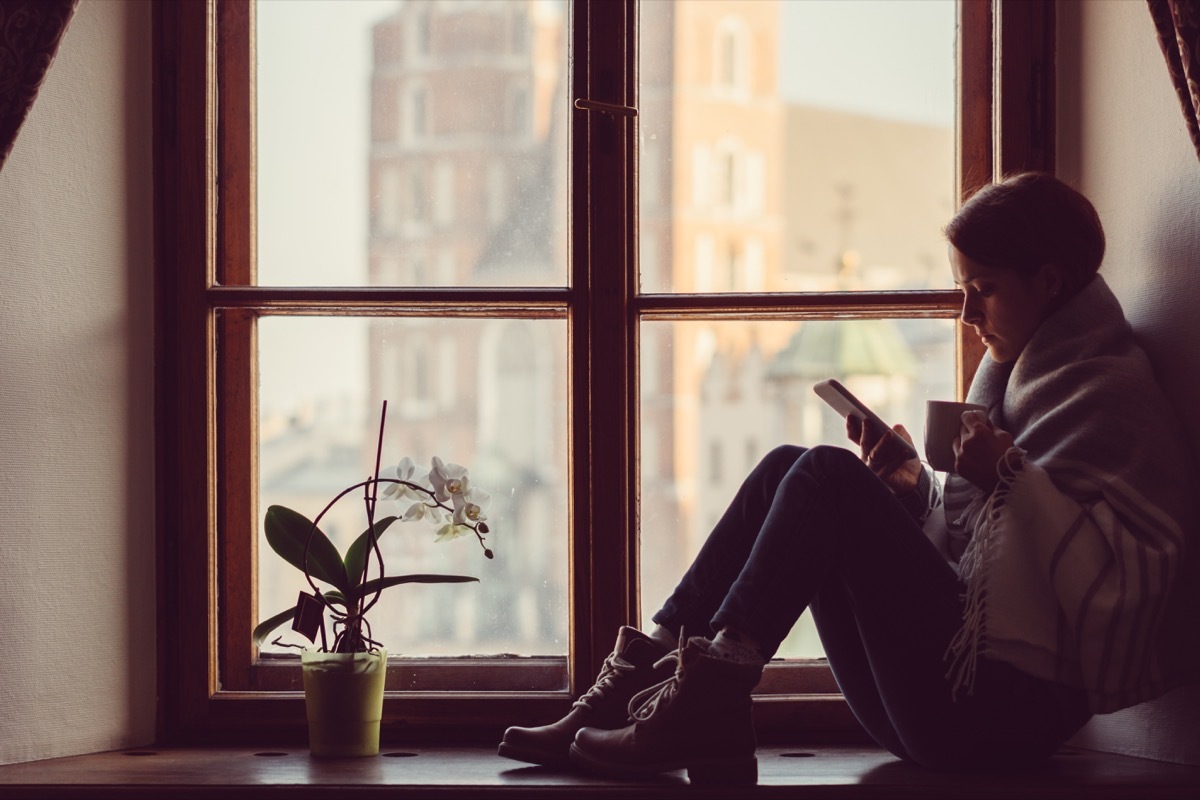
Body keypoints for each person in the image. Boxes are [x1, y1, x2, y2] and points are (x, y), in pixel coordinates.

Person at [497, 173, 1199, 783]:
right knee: (788, 467)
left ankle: (707, 702)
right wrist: (915, 495)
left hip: (1002, 719)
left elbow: (1126, 587)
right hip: (949, 703)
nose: (967, 314)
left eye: (984, 289)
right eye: (963, 290)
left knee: (828, 476)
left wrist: (1012, 475)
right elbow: (984, 562)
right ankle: (639, 685)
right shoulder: (1021, 382)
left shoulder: (1110, 392)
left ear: (1048, 281)